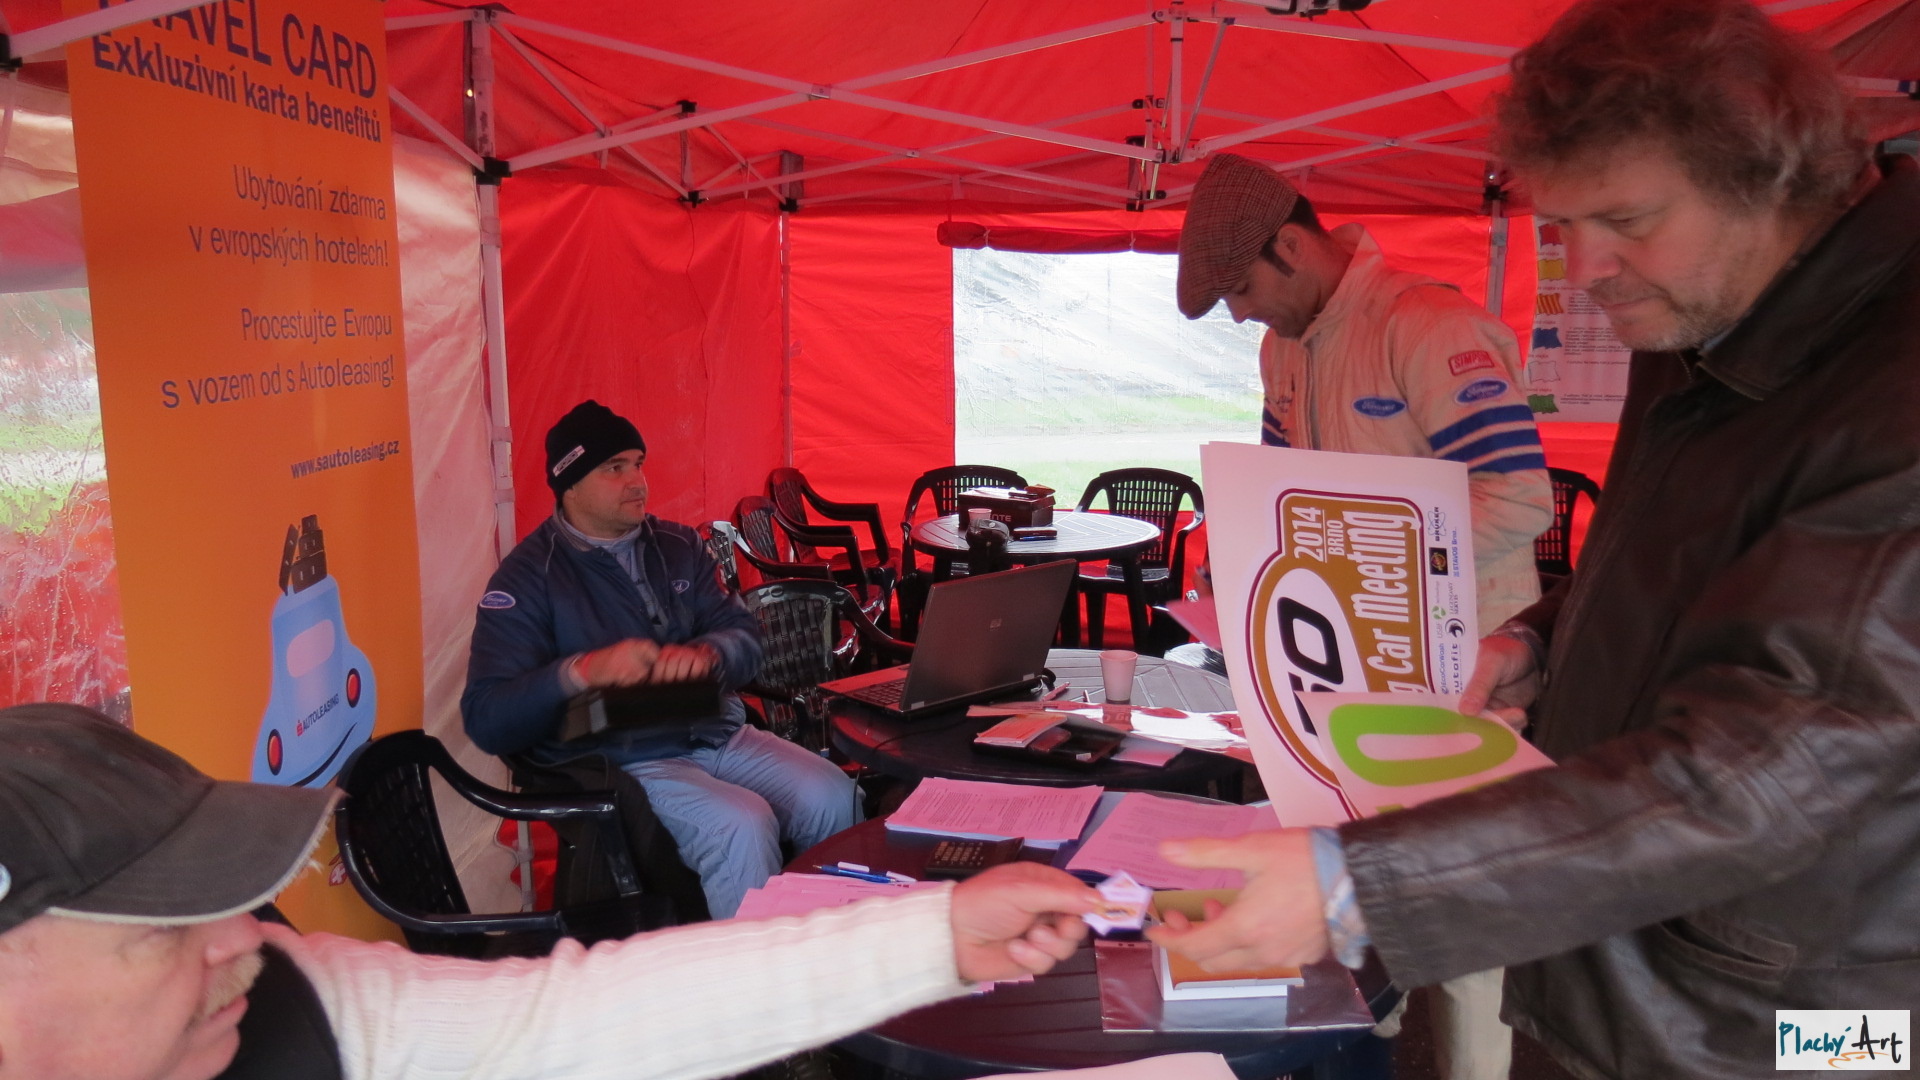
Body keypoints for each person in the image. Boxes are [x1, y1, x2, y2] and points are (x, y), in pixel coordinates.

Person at [1152, 1, 1919, 1076]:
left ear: (1769, 176)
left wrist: (1362, 885)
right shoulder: (1697, 311)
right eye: (1559, 225)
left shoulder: (1894, 386)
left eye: (1626, 218)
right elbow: (1668, 559)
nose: (1585, 268)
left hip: (1811, 1014)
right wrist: (1548, 637)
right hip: (1628, 938)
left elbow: (1787, 757)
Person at [0, 702, 1101, 1080]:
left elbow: (581, 1017)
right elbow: (506, 708)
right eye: (165, 928)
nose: (246, 940)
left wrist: (933, 934)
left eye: (227, 898)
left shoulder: (297, 1008)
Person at [1176, 153, 1554, 1079]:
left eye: (1241, 289)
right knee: (1358, 888)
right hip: (1344, 673)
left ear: (1291, 245)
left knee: (1463, 917)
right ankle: (1368, 1048)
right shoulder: (1284, 348)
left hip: (1465, 678)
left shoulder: (1427, 325)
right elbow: (1278, 494)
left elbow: (1519, 500)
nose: (1240, 315)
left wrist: (1365, 563)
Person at [462, 400, 858, 919]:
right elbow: (487, 717)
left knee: (834, 794)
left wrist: (709, 656)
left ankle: (832, 943)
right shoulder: (528, 577)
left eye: (638, 463)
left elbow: (743, 635)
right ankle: (748, 971)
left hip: (719, 732)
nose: (637, 481)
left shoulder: (678, 546)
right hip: (632, 758)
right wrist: (581, 672)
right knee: (741, 824)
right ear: (569, 484)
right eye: (615, 468)